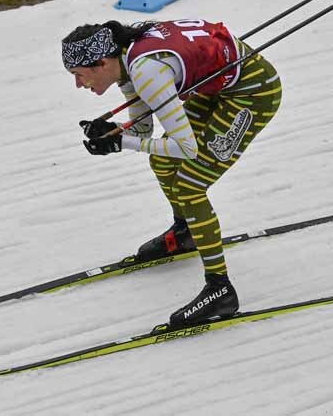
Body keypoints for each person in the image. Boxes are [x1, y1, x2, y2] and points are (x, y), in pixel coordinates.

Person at [61, 19, 282, 327]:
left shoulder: (145, 71)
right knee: (162, 161)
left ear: (101, 62)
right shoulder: (126, 60)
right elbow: (143, 128)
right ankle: (186, 232)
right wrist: (115, 132)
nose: (78, 84)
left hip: (252, 94)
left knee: (191, 185)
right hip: (216, 87)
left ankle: (220, 289)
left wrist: (121, 142)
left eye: (78, 74)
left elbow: (186, 149)